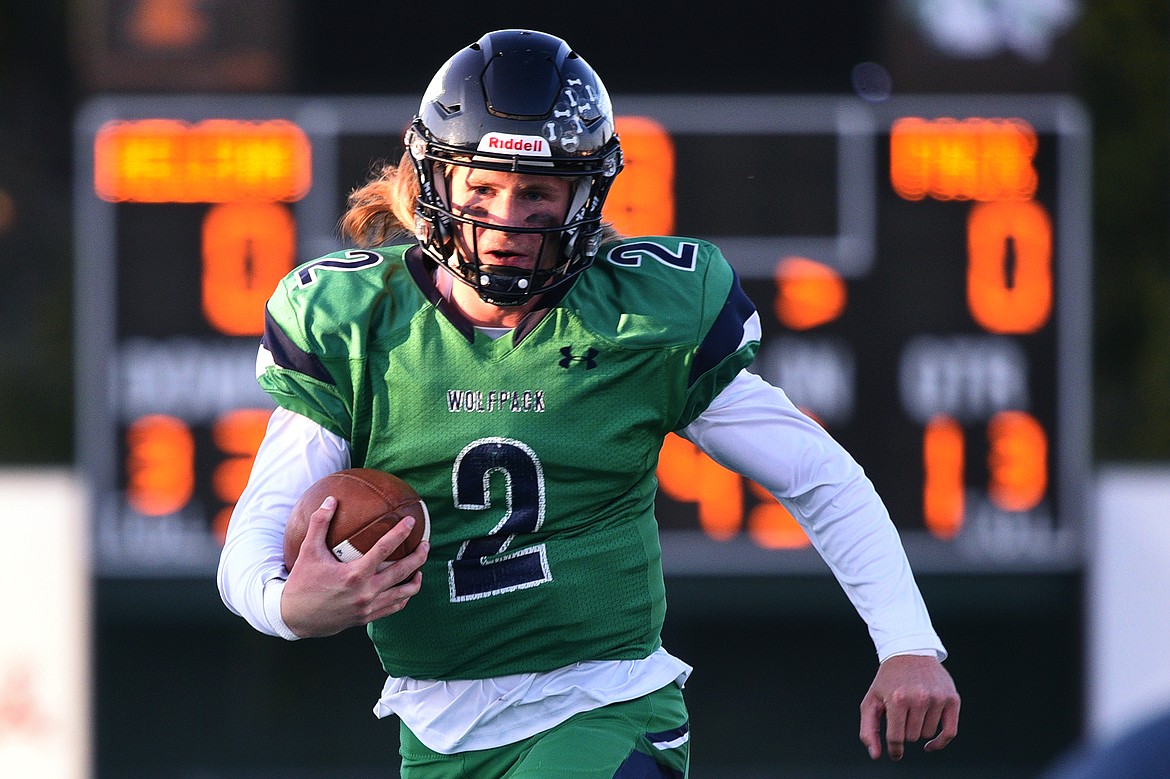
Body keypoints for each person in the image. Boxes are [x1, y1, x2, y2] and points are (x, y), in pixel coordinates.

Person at [217, 28, 960, 777]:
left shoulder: (639, 319)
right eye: (482, 187)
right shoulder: (358, 321)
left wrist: (907, 642)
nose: (507, 217)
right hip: (436, 731)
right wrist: (291, 606)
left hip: (604, 707)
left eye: (536, 192)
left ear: (585, 194)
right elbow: (251, 539)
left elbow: (816, 472)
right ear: (434, 184)